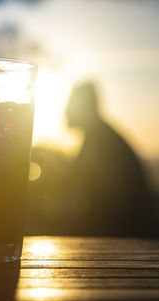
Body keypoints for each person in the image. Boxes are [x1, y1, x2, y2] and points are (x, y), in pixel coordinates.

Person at [65, 82, 156, 236]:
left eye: (71, 104)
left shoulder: (99, 140)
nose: (66, 112)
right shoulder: (101, 135)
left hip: (129, 233)